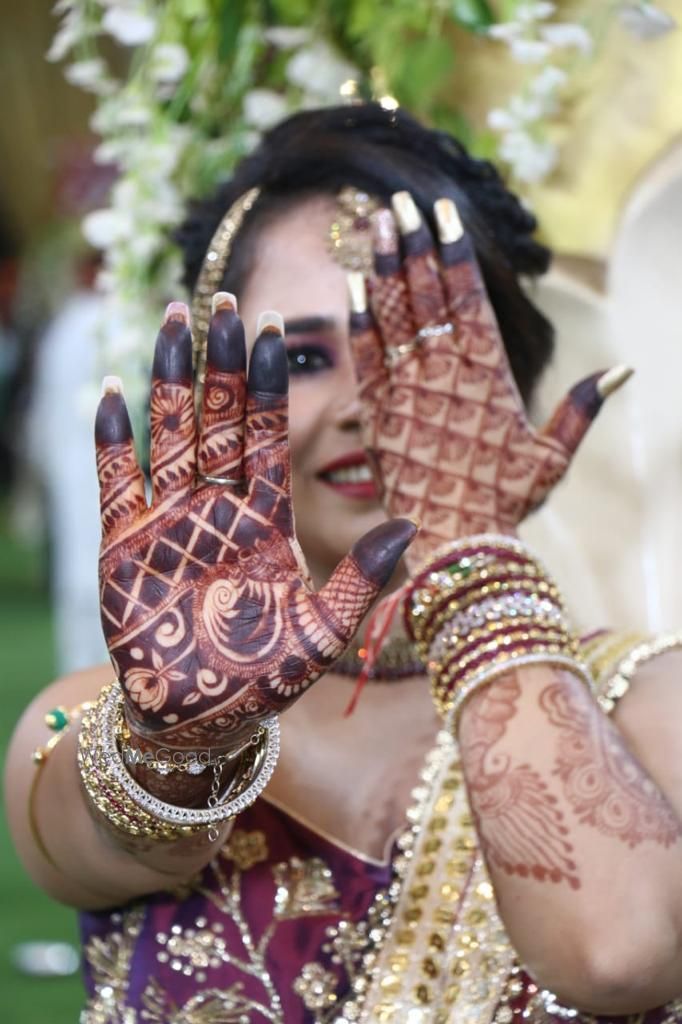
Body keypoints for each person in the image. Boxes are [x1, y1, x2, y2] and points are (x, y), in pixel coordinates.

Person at [5, 104, 682, 1024]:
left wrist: (468, 553)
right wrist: (181, 746)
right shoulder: (96, 718)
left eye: (411, 353)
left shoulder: (655, 707)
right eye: (307, 356)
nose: (367, 403)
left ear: (508, 382)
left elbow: (616, 958)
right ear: (217, 392)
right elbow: (97, 843)